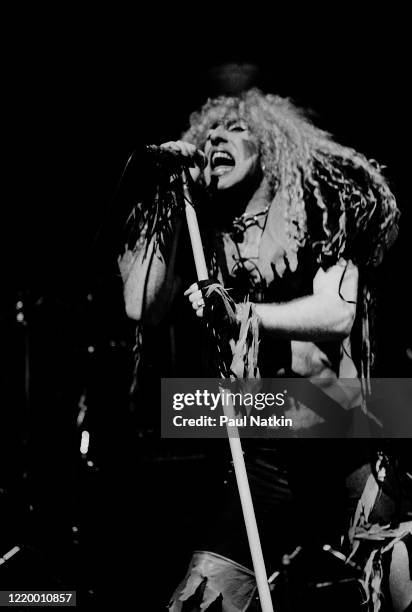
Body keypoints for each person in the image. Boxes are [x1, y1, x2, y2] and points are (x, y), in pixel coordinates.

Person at [118, 90, 410, 611]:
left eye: (235, 129)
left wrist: (246, 316)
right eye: (209, 133)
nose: (215, 139)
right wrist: (165, 197)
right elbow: (141, 306)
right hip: (265, 445)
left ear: (272, 148)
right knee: (202, 599)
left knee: (399, 581)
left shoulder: (321, 211)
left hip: (345, 435)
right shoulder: (203, 230)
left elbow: (336, 312)